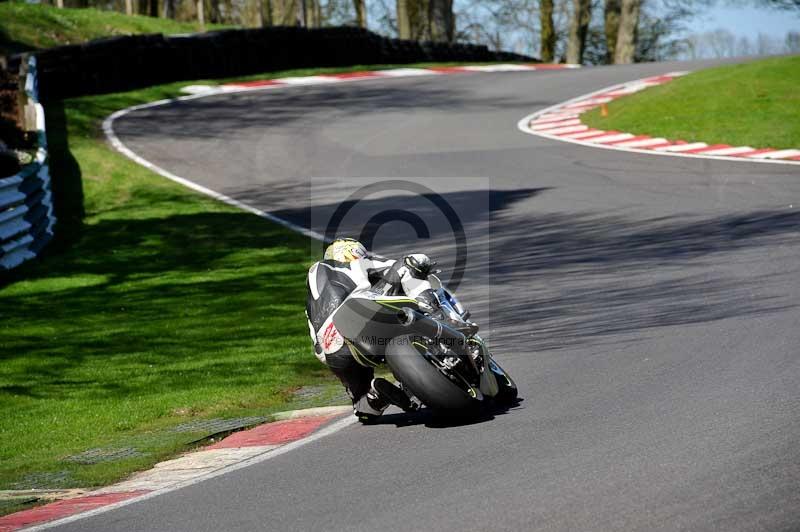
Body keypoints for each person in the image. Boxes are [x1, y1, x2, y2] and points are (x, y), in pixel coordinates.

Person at [305, 238, 438, 422]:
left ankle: (375, 397)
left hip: (332, 349)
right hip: (362, 314)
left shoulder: (311, 294)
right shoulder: (355, 264)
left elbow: (317, 345)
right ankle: (435, 313)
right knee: (408, 264)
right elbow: (406, 263)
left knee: (362, 406)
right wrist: (423, 263)